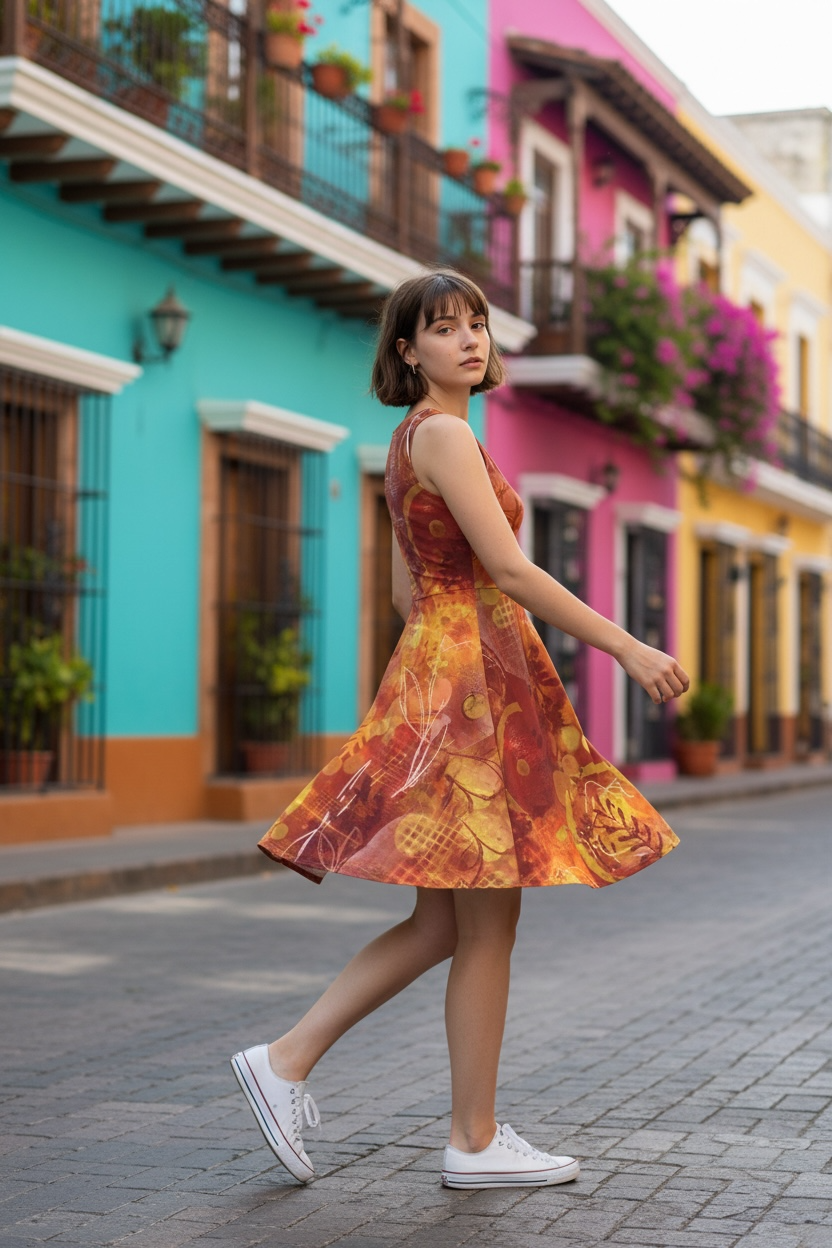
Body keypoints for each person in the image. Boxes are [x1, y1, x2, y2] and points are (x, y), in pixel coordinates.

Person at [231, 269, 689, 1191]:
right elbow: (512, 573)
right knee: (487, 921)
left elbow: (408, 593)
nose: (469, 339)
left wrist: (437, 671)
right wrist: (627, 646)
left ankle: (287, 1062)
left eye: (476, 323)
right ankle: (469, 1142)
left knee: (446, 921)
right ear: (409, 352)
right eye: (443, 329)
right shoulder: (443, 432)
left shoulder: (412, 442)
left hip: (452, 668)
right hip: (475, 677)